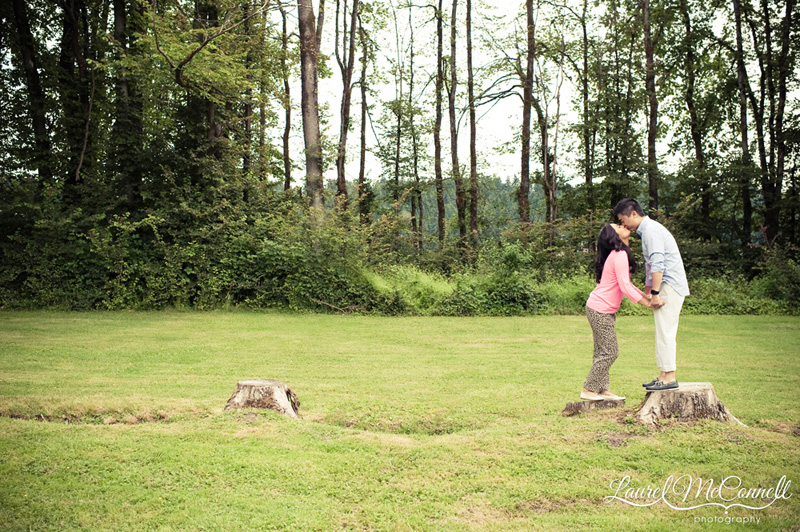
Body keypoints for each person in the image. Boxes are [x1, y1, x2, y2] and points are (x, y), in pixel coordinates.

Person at [613, 198, 690, 392]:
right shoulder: (647, 230)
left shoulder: (651, 230)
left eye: (623, 219)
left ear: (633, 214)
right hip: (665, 284)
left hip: (669, 285)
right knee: (661, 330)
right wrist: (649, 290)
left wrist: (655, 293)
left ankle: (669, 377)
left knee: (665, 331)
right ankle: (663, 375)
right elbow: (650, 265)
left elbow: (657, 264)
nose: (623, 224)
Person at [582, 223, 654, 401]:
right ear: (614, 235)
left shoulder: (618, 254)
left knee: (601, 352)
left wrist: (646, 298)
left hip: (601, 309)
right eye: (618, 226)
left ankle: (602, 389)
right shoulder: (619, 254)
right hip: (599, 309)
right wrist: (647, 302)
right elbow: (625, 286)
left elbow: (626, 284)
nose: (623, 225)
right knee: (610, 352)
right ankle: (588, 389)